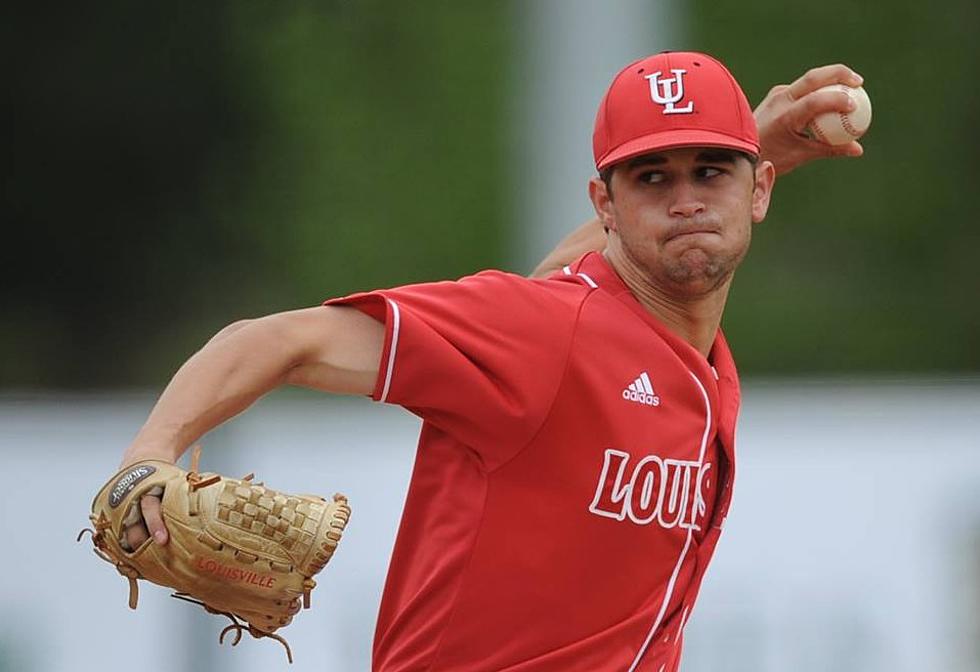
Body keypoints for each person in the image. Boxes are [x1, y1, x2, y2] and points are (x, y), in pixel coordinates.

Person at [119, 52, 864, 671]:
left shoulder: (671, 344)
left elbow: (587, 283)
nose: (687, 200)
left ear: (758, 188)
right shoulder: (542, 332)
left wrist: (759, 139)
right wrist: (151, 451)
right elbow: (280, 340)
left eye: (712, 171)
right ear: (604, 204)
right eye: (653, 177)